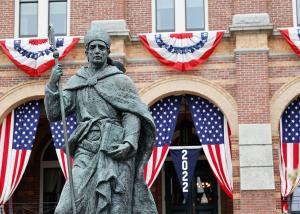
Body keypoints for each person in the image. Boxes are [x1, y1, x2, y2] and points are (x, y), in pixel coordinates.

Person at [44, 25, 157, 213]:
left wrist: (129, 142)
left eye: (101, 47)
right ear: (86, 52)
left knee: (116, 208)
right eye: (93, 47)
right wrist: (52, 83)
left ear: (108, 51)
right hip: (86, 150)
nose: (97, 51)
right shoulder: (77, 80)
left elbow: (131, 113)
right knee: (64, 208)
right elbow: (55, 113)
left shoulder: (120, 80)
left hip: (114, 149)